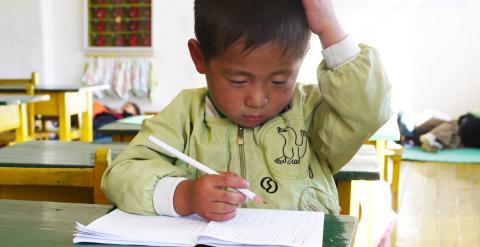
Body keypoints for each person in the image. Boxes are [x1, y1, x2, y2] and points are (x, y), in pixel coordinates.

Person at [102, 0, 392, 221]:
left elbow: (368, 109)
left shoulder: (312, 112)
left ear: (299, 60)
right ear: (199, 57)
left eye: (280, 80)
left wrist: (332, 31)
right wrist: (184, 195)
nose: (257, 98)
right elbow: (122, 174)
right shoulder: (186, 114)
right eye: (238, 81)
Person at [408, 110, 480, 152]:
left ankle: (432, 140)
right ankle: (432, 138)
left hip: (459, 139)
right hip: (458, 131)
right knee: (452, 126)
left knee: (452, 134)